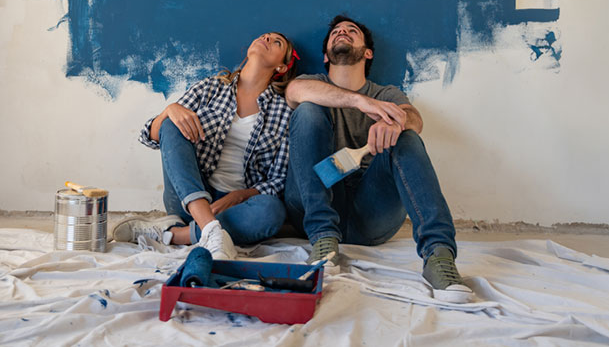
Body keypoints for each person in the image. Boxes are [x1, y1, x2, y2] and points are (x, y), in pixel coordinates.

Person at [283, 15, 475, 303]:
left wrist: (396, 123)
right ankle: (323, 239)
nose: (342, 32)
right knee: (307, 111)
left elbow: (415, 119)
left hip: (370, 215)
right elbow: (294, 92)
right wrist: (359, 101)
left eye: (351, 30)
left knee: (407, 137)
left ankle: (439, 256)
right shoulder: (311, 83)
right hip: (315, 207)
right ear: (325, 56)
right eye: (336, 32)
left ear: (368, 53)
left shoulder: (387, 94)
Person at [113, 32, 298, 260]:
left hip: (237, 209)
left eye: (277, 42)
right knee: (171, 122)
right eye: (265, 36)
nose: (267, 39)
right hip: (188, 197)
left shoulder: (284, 112)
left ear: (281, 67)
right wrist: (169, 110)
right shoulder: (210, 88)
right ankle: (208, 227)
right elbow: (150, 137)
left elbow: (278, 180)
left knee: (272, 211)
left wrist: (238, 196)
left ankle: (173, 234)